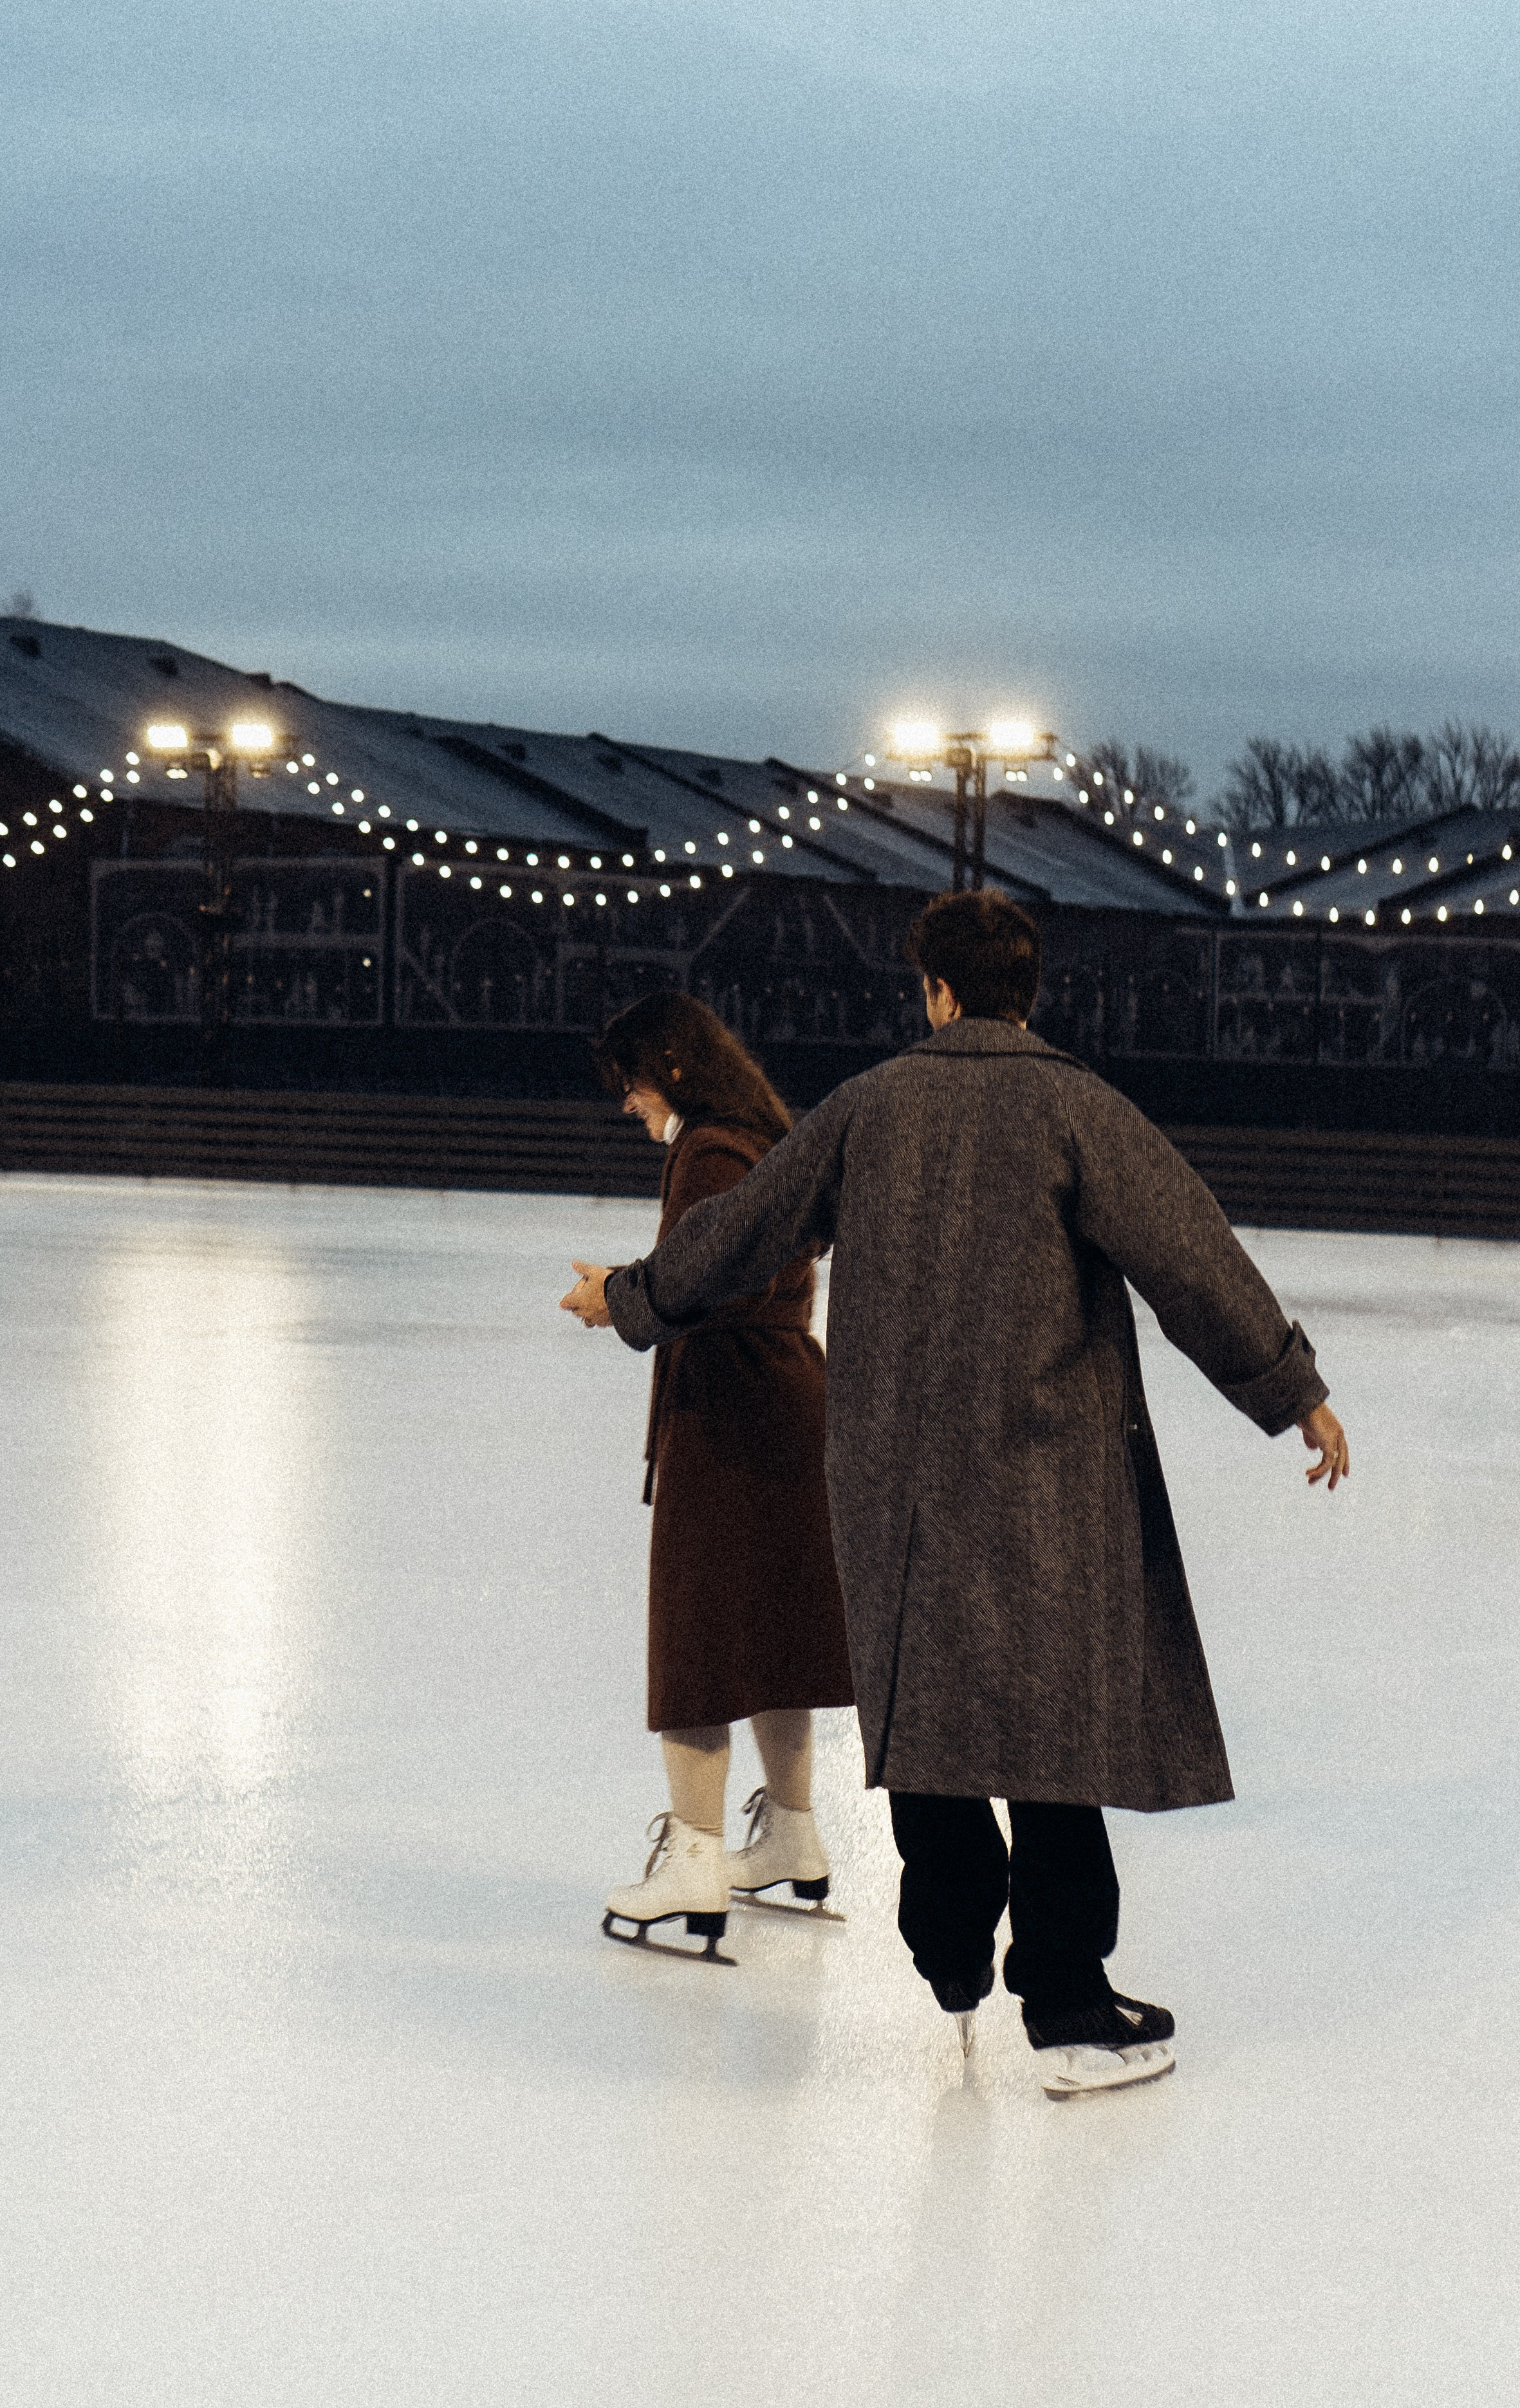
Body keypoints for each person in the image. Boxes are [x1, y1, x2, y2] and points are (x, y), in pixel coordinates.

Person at [564, 891, 1349, 2093]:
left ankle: (950, 1964)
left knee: (926, 1723)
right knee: (1049, 1748)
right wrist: (1291, 1390)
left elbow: (743, 1228)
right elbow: (1192, 1257)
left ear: (933, 990)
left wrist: (626, 1296)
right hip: (1045, 1482)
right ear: (1025, 991)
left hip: (894, 1482)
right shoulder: (1076, 1107)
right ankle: (1071, 2008)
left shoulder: (869, 1108)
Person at [561, 993, 855, 1961]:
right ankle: (794, 1830)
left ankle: (696, 1853)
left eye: (631, 1081)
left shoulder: (713, 1151)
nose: (627, 1103)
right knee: (773, 1628)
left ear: (673, 1070)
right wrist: (638, 1283)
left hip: (731, 1410)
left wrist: (617, 1297)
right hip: (780, 1398)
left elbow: (704, 1274)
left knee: (695, 1632)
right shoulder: (761, 1138)